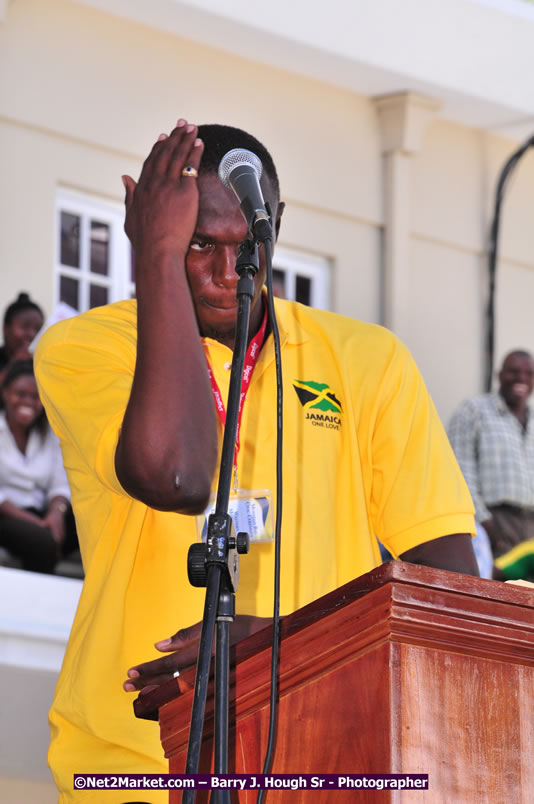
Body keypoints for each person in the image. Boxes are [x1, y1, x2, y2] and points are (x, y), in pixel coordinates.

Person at [35, 119, 477, 803]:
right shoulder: (84, 347)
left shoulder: (369, 361)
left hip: (323, 765)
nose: (223, 272)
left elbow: (448, 582)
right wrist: (153, 259)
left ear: (277, 226)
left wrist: (282, 650)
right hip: (134, 771)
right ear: (151, 228)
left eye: (246, 245)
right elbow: (177, 476)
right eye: (195, 243)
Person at [448, 350, 534, 560]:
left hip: (529, 527)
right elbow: (459, 471)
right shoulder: (474, 410)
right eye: (513, 371)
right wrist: (488, 527)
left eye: (529, 373)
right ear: (500, 375)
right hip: (490, 524)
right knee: (494, 589)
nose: (521, 378)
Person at [0, 359, 76, 573]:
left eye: (35, 397)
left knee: (91, 524)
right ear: (5, 393)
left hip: (43, 513)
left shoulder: (48, 434)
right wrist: (33, 522)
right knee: (42, 542)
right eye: (21, 394)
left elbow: (59, 480)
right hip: (6, 515)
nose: (28, 402)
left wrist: (56, 514)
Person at [0, 292, 44, 383]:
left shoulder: (43, 364)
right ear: (5, 329)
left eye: (38, 329)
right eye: (25, 326)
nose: (32, 334)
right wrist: (15, 364)